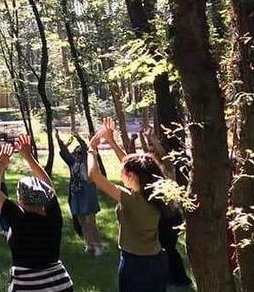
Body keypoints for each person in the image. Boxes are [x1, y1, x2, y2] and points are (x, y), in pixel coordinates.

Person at [88, 118, 168, 292]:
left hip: (135, 264)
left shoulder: (131, 200)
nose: (121, 172)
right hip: (157, 261)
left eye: (123, 172)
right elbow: (131, 164)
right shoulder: (154, 193)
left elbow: (94, 175)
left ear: (133, 176)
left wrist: (92, 148)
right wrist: (111, 141)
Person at [0, 134, 74, 292]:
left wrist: (0, 163)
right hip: (60, 284)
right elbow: (49, 186)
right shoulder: (53, 216)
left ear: (20, 199)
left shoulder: (18, 218)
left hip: (29, 286)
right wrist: (29, 156)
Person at [141, 126, 193, 287]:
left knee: (169, 249)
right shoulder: (153, 175)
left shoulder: (167, 171)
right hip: (163, 217)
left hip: (171, 218)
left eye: (152, 153)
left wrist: (153, 139)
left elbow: (165, 157)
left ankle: (181, 279)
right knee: (165, 249)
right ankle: (172, 277)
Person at [55, 128, 103, 255]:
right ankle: (89, 245)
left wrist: (78, 138)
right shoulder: (73, 163)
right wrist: (58, 139)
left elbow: (86, 148)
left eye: (80, 153)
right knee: (82, 221)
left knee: (90, 221)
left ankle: (98, 246)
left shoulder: (88, 163)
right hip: (77, 195)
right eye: (76, 153)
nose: (77, 155)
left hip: (88, 194)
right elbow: (64, 152)